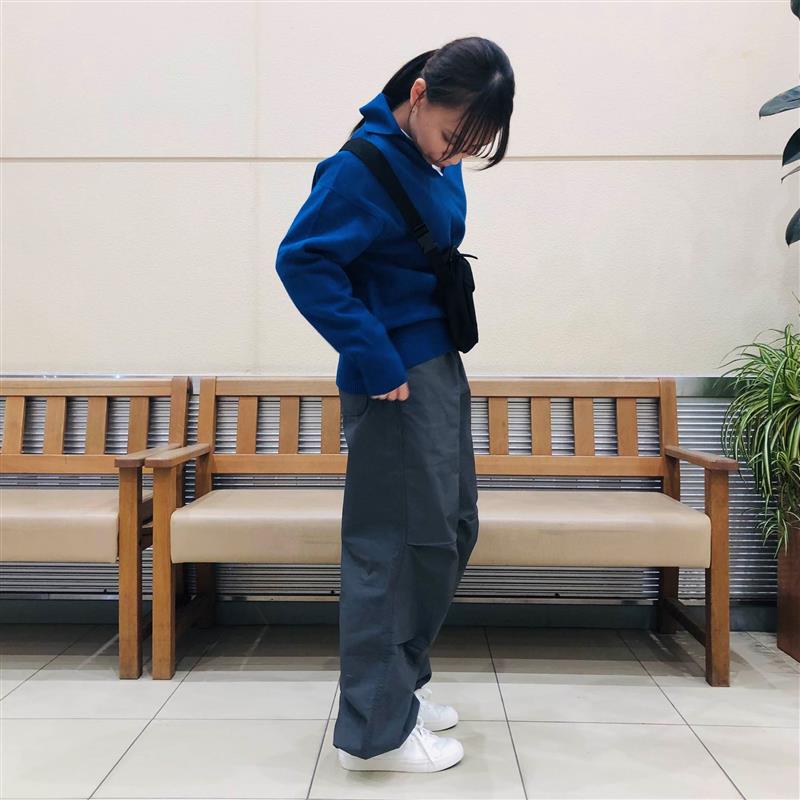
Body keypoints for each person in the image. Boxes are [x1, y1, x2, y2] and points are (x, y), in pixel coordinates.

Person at [275, 36, 515, 773]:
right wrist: (374, 356)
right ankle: (374, 735)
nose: (457, 154)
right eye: (453, 135)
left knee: (450, 528)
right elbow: (303, 260)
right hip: (395, 377)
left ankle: (398, 688)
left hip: (435, 362)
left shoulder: (429, 158)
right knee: (398, 545)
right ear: (418, 95)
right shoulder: (361, 167)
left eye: (474, 146)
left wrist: (448, 152)